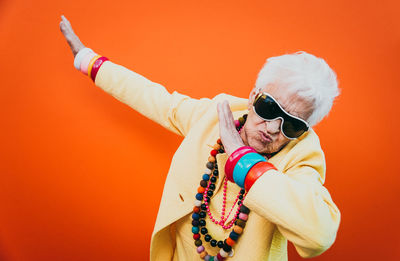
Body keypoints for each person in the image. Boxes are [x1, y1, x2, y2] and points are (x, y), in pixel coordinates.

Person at [59, 15, 341, 261]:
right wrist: (88, 61)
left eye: (292, 125)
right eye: (269, 108)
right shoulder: (215, 116)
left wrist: (242, 162)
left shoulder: (300, 159)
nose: (272, 129)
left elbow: (319, 235)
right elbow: (157, 99)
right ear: (254, 95)